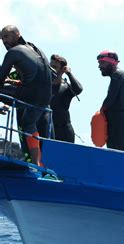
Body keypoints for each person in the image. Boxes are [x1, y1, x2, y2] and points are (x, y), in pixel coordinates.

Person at [0, 25, 52, 166]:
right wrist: (17, 81)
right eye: (2, 38)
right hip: (45, 97)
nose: (4, 41)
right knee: (28, 123)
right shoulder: (36, 48)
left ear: (17, 34)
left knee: (27, 122)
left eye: (7, 36)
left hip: (30, 95)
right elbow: (49, 75)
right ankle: (37, 163)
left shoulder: (13, 52)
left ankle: (36, 161)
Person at [97, 50, 124, 153]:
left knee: (121, 154)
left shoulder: (117, 75)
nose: (99, 66)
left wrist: (100, 113)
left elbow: (110, 98)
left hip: (120, 123)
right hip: (120, 121)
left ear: (111, 63)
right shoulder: (121, 74)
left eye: (102, 63)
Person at [49, 54, 83, 143]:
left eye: (54, 67)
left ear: (62, 69)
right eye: (50, 66)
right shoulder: (44, 86)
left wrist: (69, 73)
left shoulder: (65, 87)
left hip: (64, 130)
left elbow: (79, 89)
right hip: (47, 128)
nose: (51, 69)